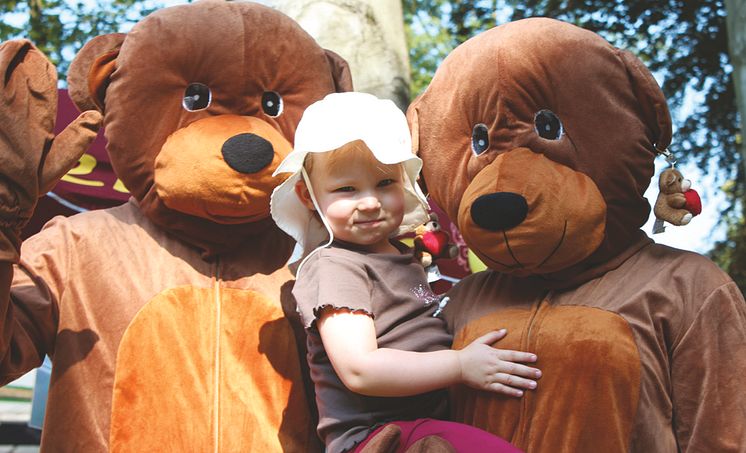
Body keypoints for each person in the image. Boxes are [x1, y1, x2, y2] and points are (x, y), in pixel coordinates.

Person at [270, 92, 542, 453]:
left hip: (426, 420)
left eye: (385, 184)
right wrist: (460, 365)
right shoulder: (335, 265)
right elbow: (360, 369)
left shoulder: (398, 254)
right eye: (346, 189)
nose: (369, 202)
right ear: (308, 196)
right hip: (379, 435)